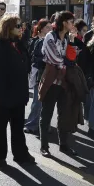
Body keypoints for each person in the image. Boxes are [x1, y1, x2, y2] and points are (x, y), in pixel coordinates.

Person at [0, 13, 36, 168]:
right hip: (1, 97)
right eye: (18, 26)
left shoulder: (21, 46)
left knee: (18, 128)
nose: (22, 29)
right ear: (8, 28)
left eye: (22, 26)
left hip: (18, 96)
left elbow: (26, 68)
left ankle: (20, 154)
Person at [38, 11, 79, 157]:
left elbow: (73, 56)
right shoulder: (50, 36)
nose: (72, 24)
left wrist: (72, 43)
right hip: (52, 79)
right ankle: (44, 146)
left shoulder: (67, 38)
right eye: (70, 21)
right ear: (63, 22)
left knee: (64, 113)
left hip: (64, 81)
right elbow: (54, 58)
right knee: (47, 112)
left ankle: (64, 145)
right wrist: (66, 62)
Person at [24, 18, 52, 135]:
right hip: (39, 73)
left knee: (47, 102)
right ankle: (31, 124)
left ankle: (44, 125)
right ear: (40, 28)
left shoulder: (52, 40)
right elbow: (32, 57)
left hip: (50, 73)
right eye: (47, 27)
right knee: (37, 100)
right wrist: (45, 59)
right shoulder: (35, 41)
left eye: (51, 28)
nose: (50, 30)